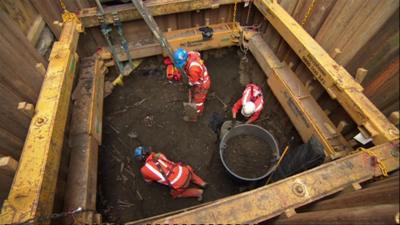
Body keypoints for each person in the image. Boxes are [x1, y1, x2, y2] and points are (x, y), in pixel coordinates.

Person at [134, 146, 207, 200]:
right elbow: (154, 155)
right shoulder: (160, 155)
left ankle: (198, 192)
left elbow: (148, 181)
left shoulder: (144, 170)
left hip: (181, 185)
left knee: (174, 194)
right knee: (188, 172)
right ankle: (202, 183)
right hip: (186, 171)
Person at [173, 48, 211, 115]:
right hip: (199, 76)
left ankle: (197, 112)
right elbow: (198, 54)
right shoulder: (190, 54)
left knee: (198, 99)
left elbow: (193, 81)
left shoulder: (193, 69)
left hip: (203, 84)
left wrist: (189, 83)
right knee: (195, 91)